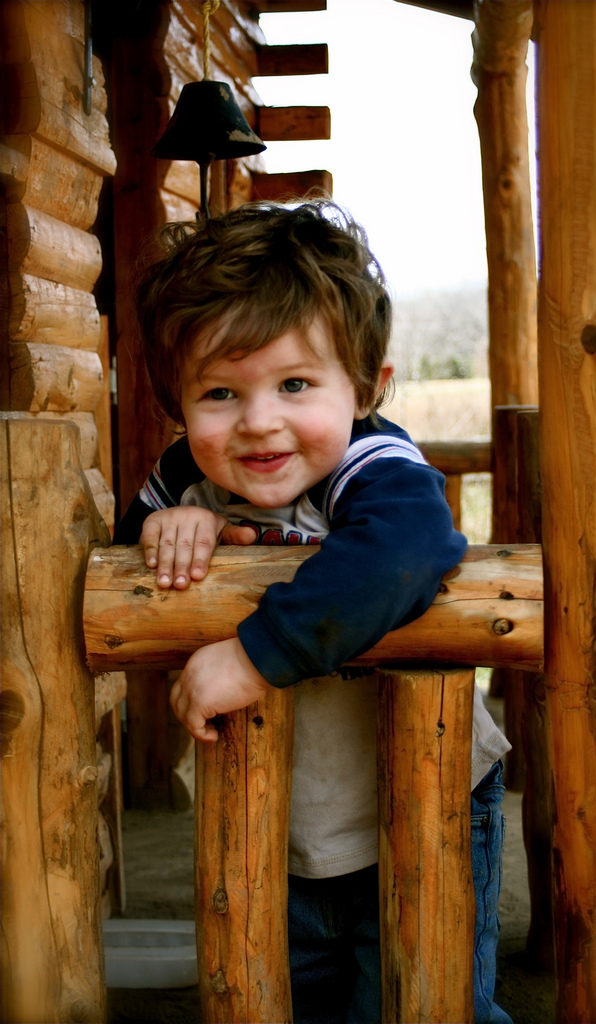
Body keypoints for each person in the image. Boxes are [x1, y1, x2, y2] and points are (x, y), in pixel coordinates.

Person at [115, 199, 513, 1024]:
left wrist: (253, 655)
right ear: (177, 402)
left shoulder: (369, 465)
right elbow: (123, 573)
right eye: (220, 392)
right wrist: (161, 526)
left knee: (421, 998)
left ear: (366, 388)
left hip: (416, 802)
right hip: (276, 823)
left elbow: (408, 548)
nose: (260, 421)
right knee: (290, 995)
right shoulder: (185, 473)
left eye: (296, 384)